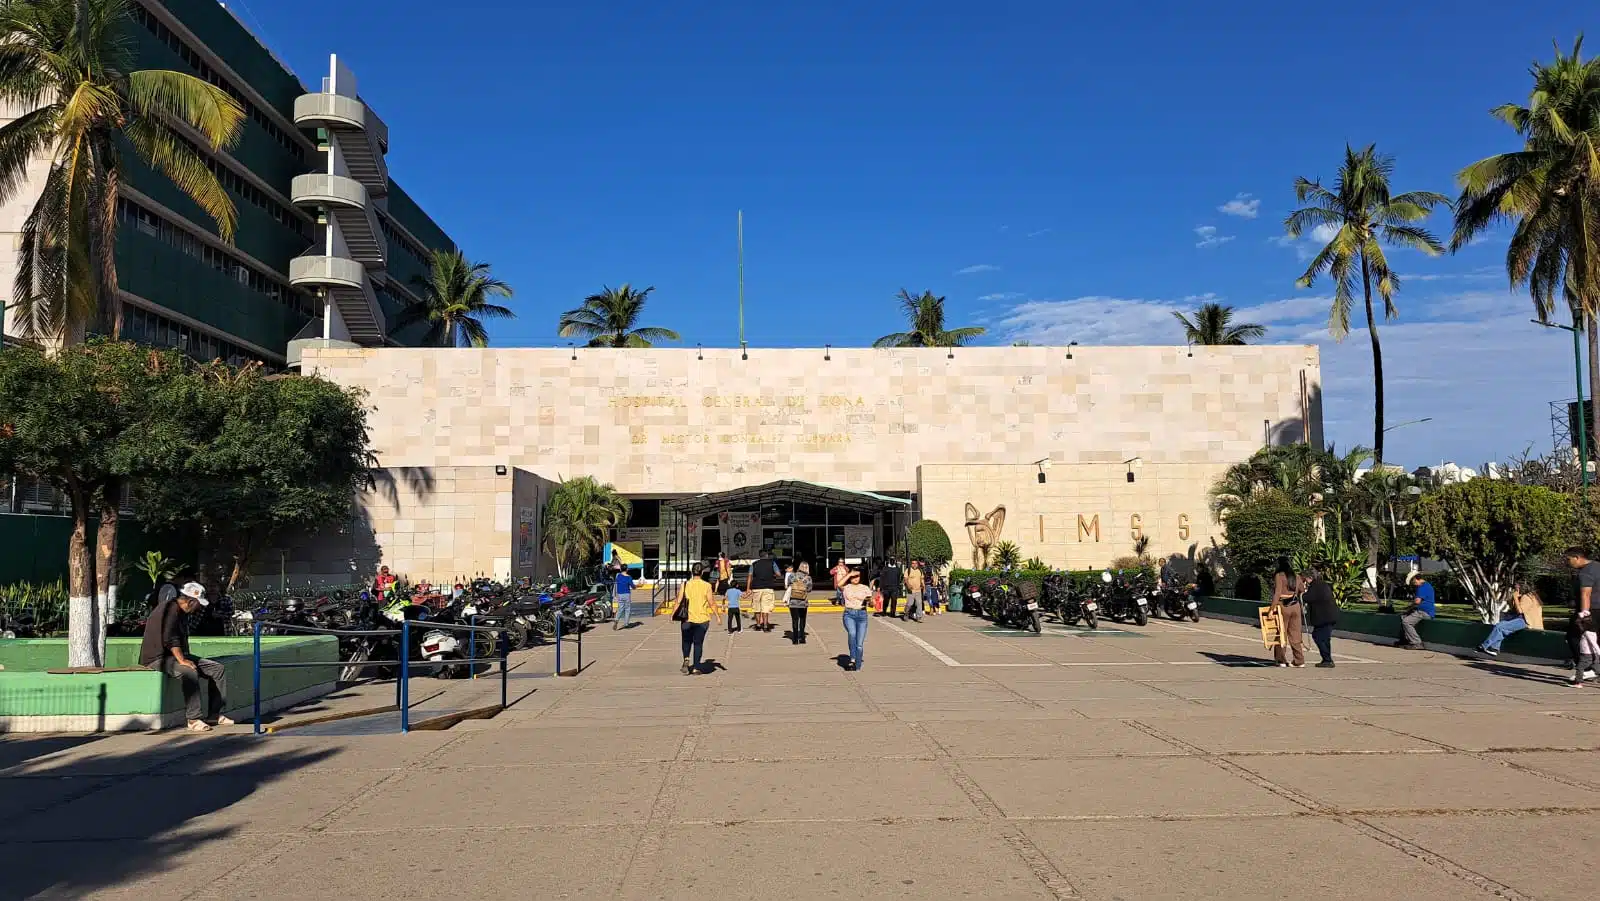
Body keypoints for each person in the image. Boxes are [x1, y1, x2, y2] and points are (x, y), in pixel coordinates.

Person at [139, 581, 232, 732]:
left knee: (217, 669)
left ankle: (215, 714)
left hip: (174, 656)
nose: (200, 607)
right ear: (190, 601)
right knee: (188, 671)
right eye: (198, 604)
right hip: (157, 658)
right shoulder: (170, 608)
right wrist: (182, 660)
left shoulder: (182, 613)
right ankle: (194, 719)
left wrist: (185, 657)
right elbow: (169, 638)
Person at [1478, 582, 1544, 656]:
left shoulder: (1526, 597)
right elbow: (1514, 609)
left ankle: (1484, 646)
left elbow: (1520, 611)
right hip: (1524, 619)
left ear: (1522, 588)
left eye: (1516, 588)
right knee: (1500, 625)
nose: (1515, 590)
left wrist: (1515, 597)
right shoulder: (1531, 596)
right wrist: (1513, 599)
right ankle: (1494, 649)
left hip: (1526, 621)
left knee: (1500, 627)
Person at [675, 566, 720, 674]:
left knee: (686, 641)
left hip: (687, 619)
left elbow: (678, 600)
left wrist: (673, 614)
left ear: (692, 571)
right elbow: (711, 603)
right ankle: (696, 667)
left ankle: (686, 659)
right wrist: (717, 616)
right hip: (702, 619)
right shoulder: (707, 585)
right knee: (698, 643)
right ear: (702, 572)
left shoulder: (685, 584)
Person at [1565, 547, 1600, 683]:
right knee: (1595, 639)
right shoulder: (1598, 566)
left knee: (1573, 636)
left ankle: (1587, 669)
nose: (1568, 563)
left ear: (1577, 558)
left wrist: (1584, 614)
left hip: (1591, 610)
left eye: (1569, 559)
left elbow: (1586, 593)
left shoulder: (1585, 573)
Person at [1270, 556, 1305, 667]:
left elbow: (1277, 593)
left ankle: (1281, 660)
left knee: (1281, 633)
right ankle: (1299, 661)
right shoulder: (1297, 576)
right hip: (1295, 606)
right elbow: (1302, 590)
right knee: (1295, 634)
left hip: (1283, 606)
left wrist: (1272, 609)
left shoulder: (1279, 576)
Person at [1303, 566, 1338, 668]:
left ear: (1310, 577)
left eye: (1306, 578)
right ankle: (1326, 659)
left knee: (1319, 637)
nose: (1305, 580)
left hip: (1324, 617)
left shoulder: (1316, 586)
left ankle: (1327, 659)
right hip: (1329, 616)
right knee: (1325, 638)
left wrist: (1301, 594)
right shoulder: (1322, 584)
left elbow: (1309, 597)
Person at [745, 548, 784, 633]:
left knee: (757, 608)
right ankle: (766, 626)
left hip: (756, 588)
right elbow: (778, 574)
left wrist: (748, 589)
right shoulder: (772, 563)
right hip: (768, 588)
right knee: (765, 608)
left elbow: (749, 576)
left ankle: (758, 625)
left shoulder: (754, 564)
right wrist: (771, 574)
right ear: (766, 555)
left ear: (760, 556)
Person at [841, 569, 871, 671]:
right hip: (849, 614)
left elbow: (870, 601)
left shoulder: (865, 588)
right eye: (853, 576)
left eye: (857, 576)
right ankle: (852, 659)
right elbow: (838, 584)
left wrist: (872, 602)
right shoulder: (847, 587)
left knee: (859, 644)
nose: (855, 578)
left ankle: (857, 665)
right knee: (852, 634)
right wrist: (849, 574)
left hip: (862, 615)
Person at [1396, 572, 1435, 650]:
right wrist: (1409, 609)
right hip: (1421, 610)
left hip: (1424, 612)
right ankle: (1405, 640)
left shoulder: (1422, 587)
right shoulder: (1424, 585)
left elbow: (1417, 601)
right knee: (1403, 616)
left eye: (1412, 581)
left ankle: (1417, 643)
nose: (1413, 584)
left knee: (1406, 622)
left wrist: (1409, 607)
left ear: (1415, 579)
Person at [788, 561, 813, 644]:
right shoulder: (808, 578)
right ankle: (802, 638)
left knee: (794, 620)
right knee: (802, 620)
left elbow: (788, 586)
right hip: (803, 602)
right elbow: (809, 590)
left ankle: (795, 639)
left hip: (793, 602)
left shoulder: (792, 575)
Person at [613, 565, 635, 630]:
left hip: (620, 594)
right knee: (627, 609)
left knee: (620, 608)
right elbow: (632, 586)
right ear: (627, 569)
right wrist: (636, 586)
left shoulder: (618, 576)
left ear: (621, 569)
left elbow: (617, 583)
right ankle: (626, 623)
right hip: (627, 594)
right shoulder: (629, 577)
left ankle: (616, 620)